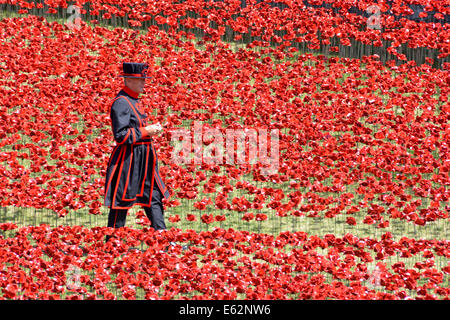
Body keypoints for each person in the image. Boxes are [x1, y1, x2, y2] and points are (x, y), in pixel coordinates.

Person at [103, 62, 171, 242]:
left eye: (145, 79)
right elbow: (121, 135)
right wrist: (147, 131)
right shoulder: (121, 103)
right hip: (128, 160)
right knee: (121, 202)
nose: (144, 83)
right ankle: (112, 243)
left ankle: (163, 240)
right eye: (141, 80)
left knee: (154, 196)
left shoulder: (134, 100)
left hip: (144, 159)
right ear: (129, 80)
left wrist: (151, 129)